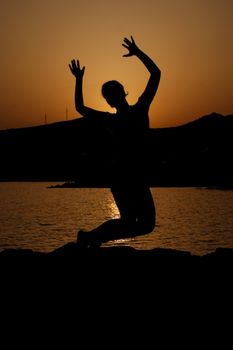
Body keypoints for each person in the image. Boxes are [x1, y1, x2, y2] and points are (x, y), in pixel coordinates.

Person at [69, 36, 161, 248]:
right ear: (120, 93)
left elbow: (80, 108)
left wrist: (79, 79)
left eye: (112, 94)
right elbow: (156, 74)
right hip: (127, 176)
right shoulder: (134, 111)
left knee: (135, 223)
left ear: (118, 94)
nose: (113, 97)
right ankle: (90, 238)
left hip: (127, 175)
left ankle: (90, 238)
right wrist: (138, 53)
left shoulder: (129, 113)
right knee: (142, 224)